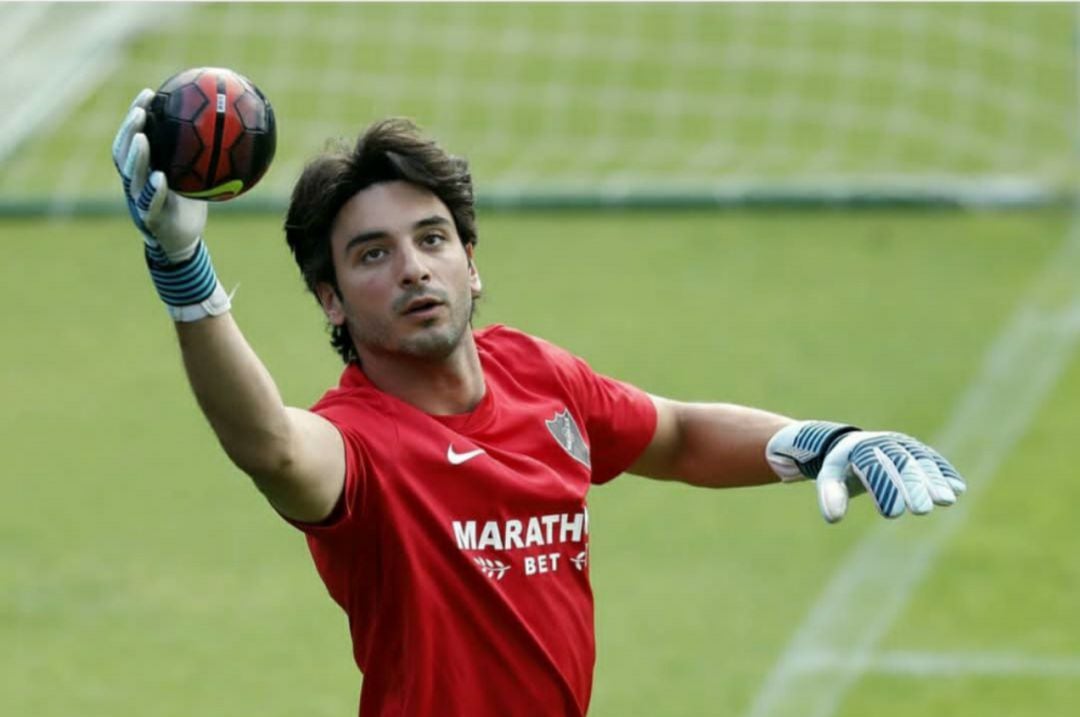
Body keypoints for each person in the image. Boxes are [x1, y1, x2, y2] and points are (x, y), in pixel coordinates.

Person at [111, 89, 966, 717]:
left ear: (471, 260)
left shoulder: (538, 376)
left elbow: (674, 433)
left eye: (432, 239)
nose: (412, 267)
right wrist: (187, 278)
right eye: (371, 255)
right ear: (331, 300)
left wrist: (822, 442)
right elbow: (271, 445)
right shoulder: (357, 445)